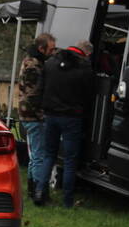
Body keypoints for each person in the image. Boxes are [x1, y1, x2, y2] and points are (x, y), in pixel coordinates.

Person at [33, 39, 94, 208]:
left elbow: (41, 87)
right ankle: (67, 201)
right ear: (87, 53)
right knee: (69, 160)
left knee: (48, 155)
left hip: (51, 115)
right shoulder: (84, 68)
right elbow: (89, 95)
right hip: (72, 118)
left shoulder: (51, 63)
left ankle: (39, 191)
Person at [16, 32, 56, 201]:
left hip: (29, 114)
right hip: (33, 116)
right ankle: (40, 191)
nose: (52, 53)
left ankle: (33, 188)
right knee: (39, 155)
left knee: (35, 155)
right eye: (51, 49)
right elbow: (32, 95)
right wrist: (42, 114)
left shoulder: (31, 61)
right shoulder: (34, 66)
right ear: (41, 48)